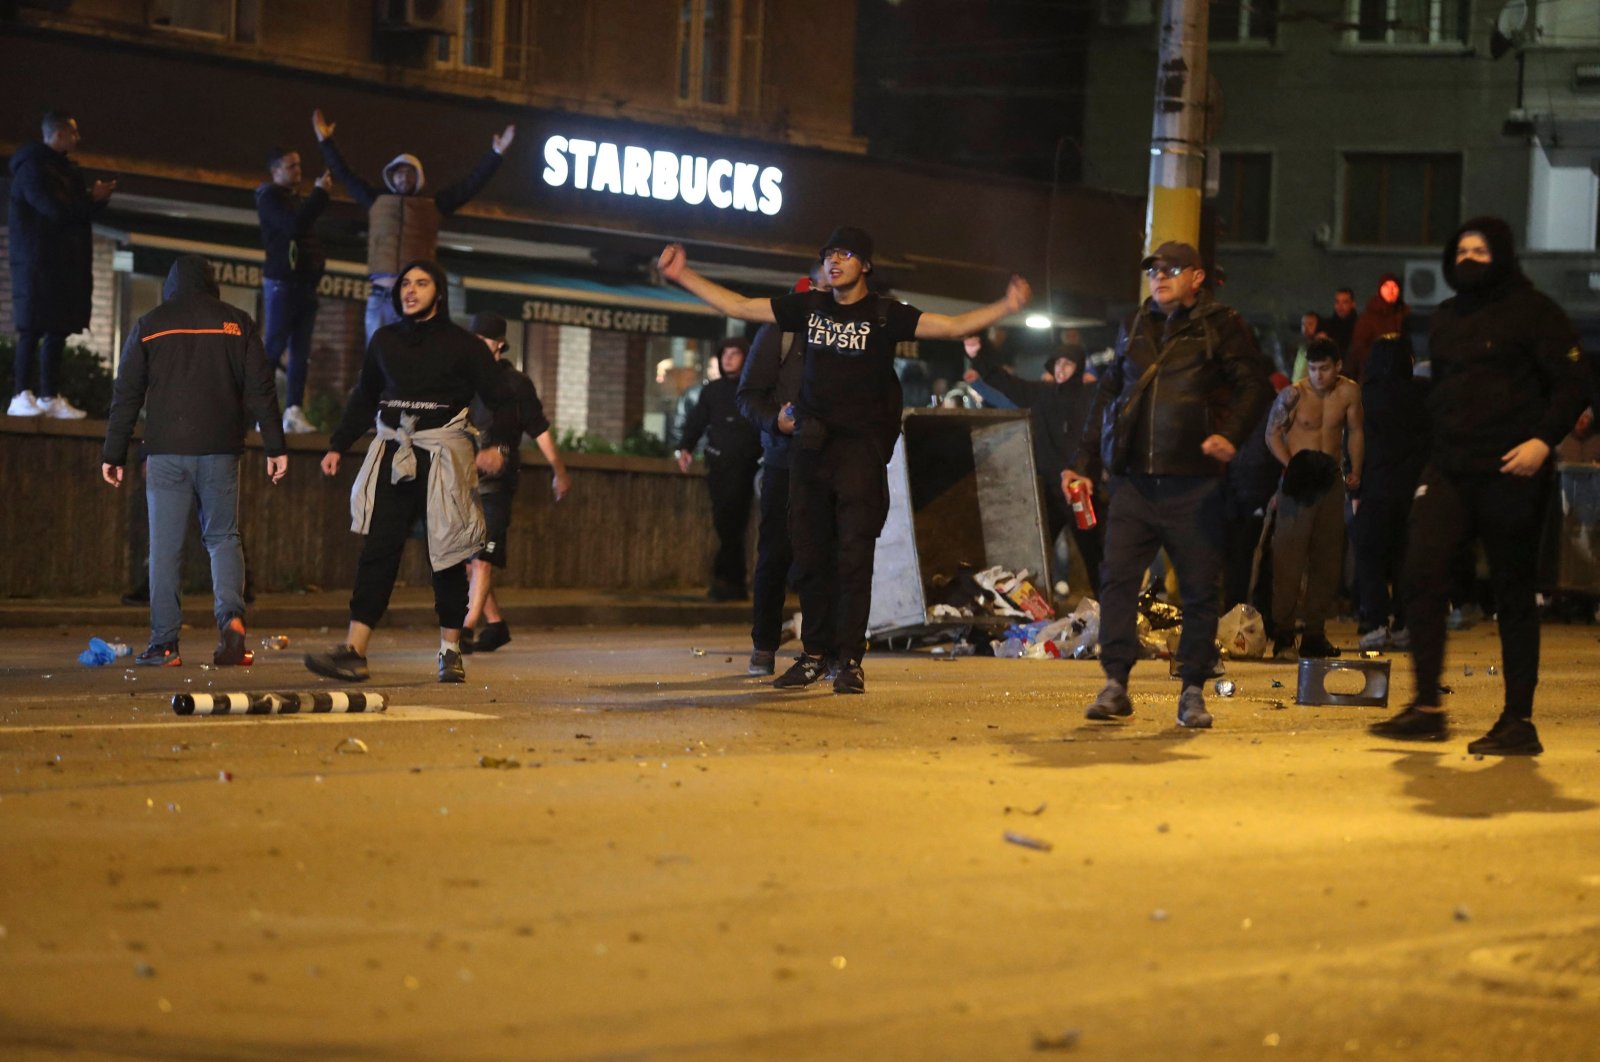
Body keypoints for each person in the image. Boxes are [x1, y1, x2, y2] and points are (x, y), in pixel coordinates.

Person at [658, 227, 1031, 694]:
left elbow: (952, 327)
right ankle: (814, 655)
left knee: (855, 556)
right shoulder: (809, 307)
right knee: (809, 557)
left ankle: (850, 660)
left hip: (860, 451)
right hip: (811, 448)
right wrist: (683, 274)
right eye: (829, 254)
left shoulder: (883, 315)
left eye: (846, 254)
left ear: (866, 265)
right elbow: (738, 306)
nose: (835, 261)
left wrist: (1007, 307)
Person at [1370, 216, 1589, 756]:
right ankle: (1427, 708)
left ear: (1503, 255)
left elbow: (1575, 381)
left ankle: (1518, 721)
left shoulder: (1535, 312)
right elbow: (1444, 390)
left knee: (1513, 591)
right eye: (1461, 249)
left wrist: (1543, 441)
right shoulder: (1444, 318)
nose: (1469, 258)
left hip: (1513, 469)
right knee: (1421, 571)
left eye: (1480, 250)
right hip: (1449, 468)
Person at [1063, 241, 1272, 729]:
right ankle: (1115, 684)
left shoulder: (1221, 325)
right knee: (1116, 581)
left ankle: (1193, 692)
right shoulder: (1136, 325)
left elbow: (1254, 385)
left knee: (1199, 591)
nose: (1159, 277)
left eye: (1171, 269)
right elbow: (1110, 393)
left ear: (1198, 278)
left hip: (1193, 484)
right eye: (1154, 270)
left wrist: (1230, 435)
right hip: (1134, 482)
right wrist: (1082, 461)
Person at [304, 260, 516, 685]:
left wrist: (496, 446)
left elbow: (503, 398)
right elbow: (364, 397)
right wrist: (337, 445)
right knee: (378, 550)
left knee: (448, 554)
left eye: (421, 283)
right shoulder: (384, 340)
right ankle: (354, 651)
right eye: (405, 284)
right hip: (395, 451)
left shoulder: (463, 345)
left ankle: (451, 650)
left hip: (444, 455)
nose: (410, 290)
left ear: (438, 292)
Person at [100, 255, 287, 667]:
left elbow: (126, 392)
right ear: (211, 282)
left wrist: (114, 452)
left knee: (165, 547)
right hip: (221, 449)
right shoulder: (237, 322)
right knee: (222, 538)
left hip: (166, 451)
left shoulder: (150, 324)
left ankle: (165, 644)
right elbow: (261, 389)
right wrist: (276, 447)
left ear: (171, 284)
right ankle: (232, 623)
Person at [312, 109, 514, 341]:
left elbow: (469, 186)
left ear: (418, 178)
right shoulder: (376, 200)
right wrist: (325, 141)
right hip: (380, 294)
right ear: (391, 176)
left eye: (410, 174)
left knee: (408, 356)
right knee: (375, 356)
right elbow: (344, 174)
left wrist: (496, 154)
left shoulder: (432, 205)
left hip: (413, 298)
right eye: (399, 173)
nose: (404, 178)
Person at [736, 271, 841, 677]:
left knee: (827, 557)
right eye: (824, 288)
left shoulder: (852, 332)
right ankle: (764, 643)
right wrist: (774, 423)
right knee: (776, 554)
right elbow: (747, 395)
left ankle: (823, 649)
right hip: (785, 458)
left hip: (834, 460)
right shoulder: (780, 327)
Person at [460, 311, 571, 654]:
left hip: (498, 481)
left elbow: (538, 427)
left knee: (482, 558)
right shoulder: (461, 381)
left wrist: (558, 469)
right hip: (462, 479)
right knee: (466, 558)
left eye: (484, 342)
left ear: (499, 345)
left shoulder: (515, 384)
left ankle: (464, 628)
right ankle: (496, 625)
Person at [963, 336, 1102, 595]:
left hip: (1081, 491)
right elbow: (1003, 382)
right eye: (1057, 362)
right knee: (1032, 554)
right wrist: (978, 353)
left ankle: (1110, 616)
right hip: (1047, 490)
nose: (1061, 368)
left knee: (1097, 556)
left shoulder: (1091, 396)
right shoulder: (1041, 393)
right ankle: (1031, 610)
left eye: (1068, 363)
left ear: (1079, 368)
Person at [8, 110, 114, 419]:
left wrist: (94, 200)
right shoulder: (33, 169)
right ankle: (20, 395)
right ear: (57, 134)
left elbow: (71, 211)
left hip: (60, 264)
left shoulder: (62, 170)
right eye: (73, 133)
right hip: (36, 263)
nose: (78, 139)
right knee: (32, 328)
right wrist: (89, 199)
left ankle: (48, 396)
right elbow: (55, 209)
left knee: (56, 330)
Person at [1264, 337, 1364, 659]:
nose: (1318, 375)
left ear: (1338, 367)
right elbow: (1272, 434)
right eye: (1313, 368)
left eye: (1324, 368)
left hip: (1331, 480)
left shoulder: (1349, 392)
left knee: (1327, 560)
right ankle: (1282, 635)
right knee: (1288, 560)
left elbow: (1356, 431)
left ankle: (1314, 634)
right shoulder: (1294, 394)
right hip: (1300, 482)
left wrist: (1356, 470)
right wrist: (1292, 465)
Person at [1350, 333, 1429, 652]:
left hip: (1375, 488)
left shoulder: (1365, 396)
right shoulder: (1421, 395)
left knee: (1369, 559)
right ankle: (1404, 623)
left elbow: (1355, 444)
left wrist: (1354, 488)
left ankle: (1376, 623)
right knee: (1404, 559)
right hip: (1411, 491)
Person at [676, 337, 762, 601]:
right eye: (725, 353)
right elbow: (697, 420)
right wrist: (686, 447)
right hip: (718, 463)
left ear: (746, 357)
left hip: (746, 464)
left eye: (735, 353)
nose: (728, 358)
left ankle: (728, 580)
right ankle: (731, 580)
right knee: (724, 521)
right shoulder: (712, 391)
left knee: (732, 522)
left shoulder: (754, 391)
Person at [257, 145, 332, 434]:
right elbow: (295, 226)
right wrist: (320, 195)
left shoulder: (293, 198)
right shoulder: (269, 198)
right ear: (275, 171)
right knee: (274, 347)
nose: (298, 171)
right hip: (282, 284)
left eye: (299, 165)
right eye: (291, 166)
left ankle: (293, 411)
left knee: (301, 351)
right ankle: (261, 412)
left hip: (303, 284)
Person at [1346, 273, 1408, 383]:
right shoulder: (1368, 318)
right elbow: (1358, 348)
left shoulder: (1404, 315)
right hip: (1372, 377)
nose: (1391, 291)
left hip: (1399, 377)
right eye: (1386, 287)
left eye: (1394, 287)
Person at [1325, 287, 1358, 357]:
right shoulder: (1327, 326)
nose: (1340, 306)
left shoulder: (1360, 326)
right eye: (1337, 302)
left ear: (1353, 304)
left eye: (1345, 302)